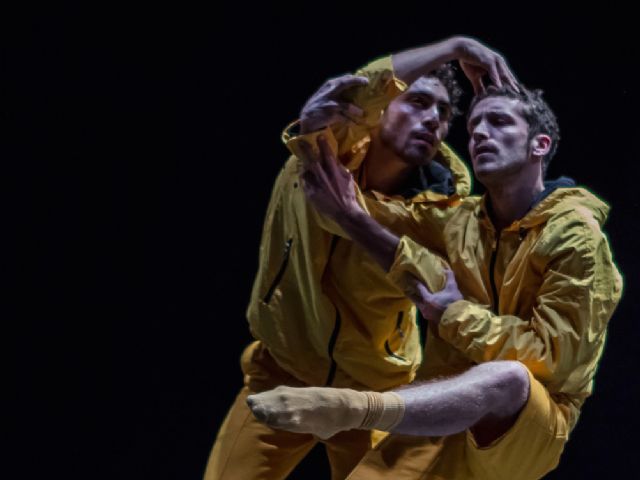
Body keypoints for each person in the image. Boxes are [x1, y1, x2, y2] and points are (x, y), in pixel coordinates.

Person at [246, 84, 623, 479]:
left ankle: (353, 409)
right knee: (423, 267)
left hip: (526, 430)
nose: (478, 133)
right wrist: (318, 138)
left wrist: (453, 314)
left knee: (508, 378)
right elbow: (345, 209)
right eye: (474, 124)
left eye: (498, 121)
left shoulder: (576, 235)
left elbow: (553, 362)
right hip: (438, 412)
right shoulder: (458, 222)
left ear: (539, 145)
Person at [203, 36, 518, 480]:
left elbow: (433, 283)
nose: (432, 119)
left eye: (444, 114)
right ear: (384, 108)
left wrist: (353, 217)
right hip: (283, 369)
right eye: (419, 102)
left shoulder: (445, 212)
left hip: (375, 387)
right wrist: (456, 47)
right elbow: (360, 89)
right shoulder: (321, 150)